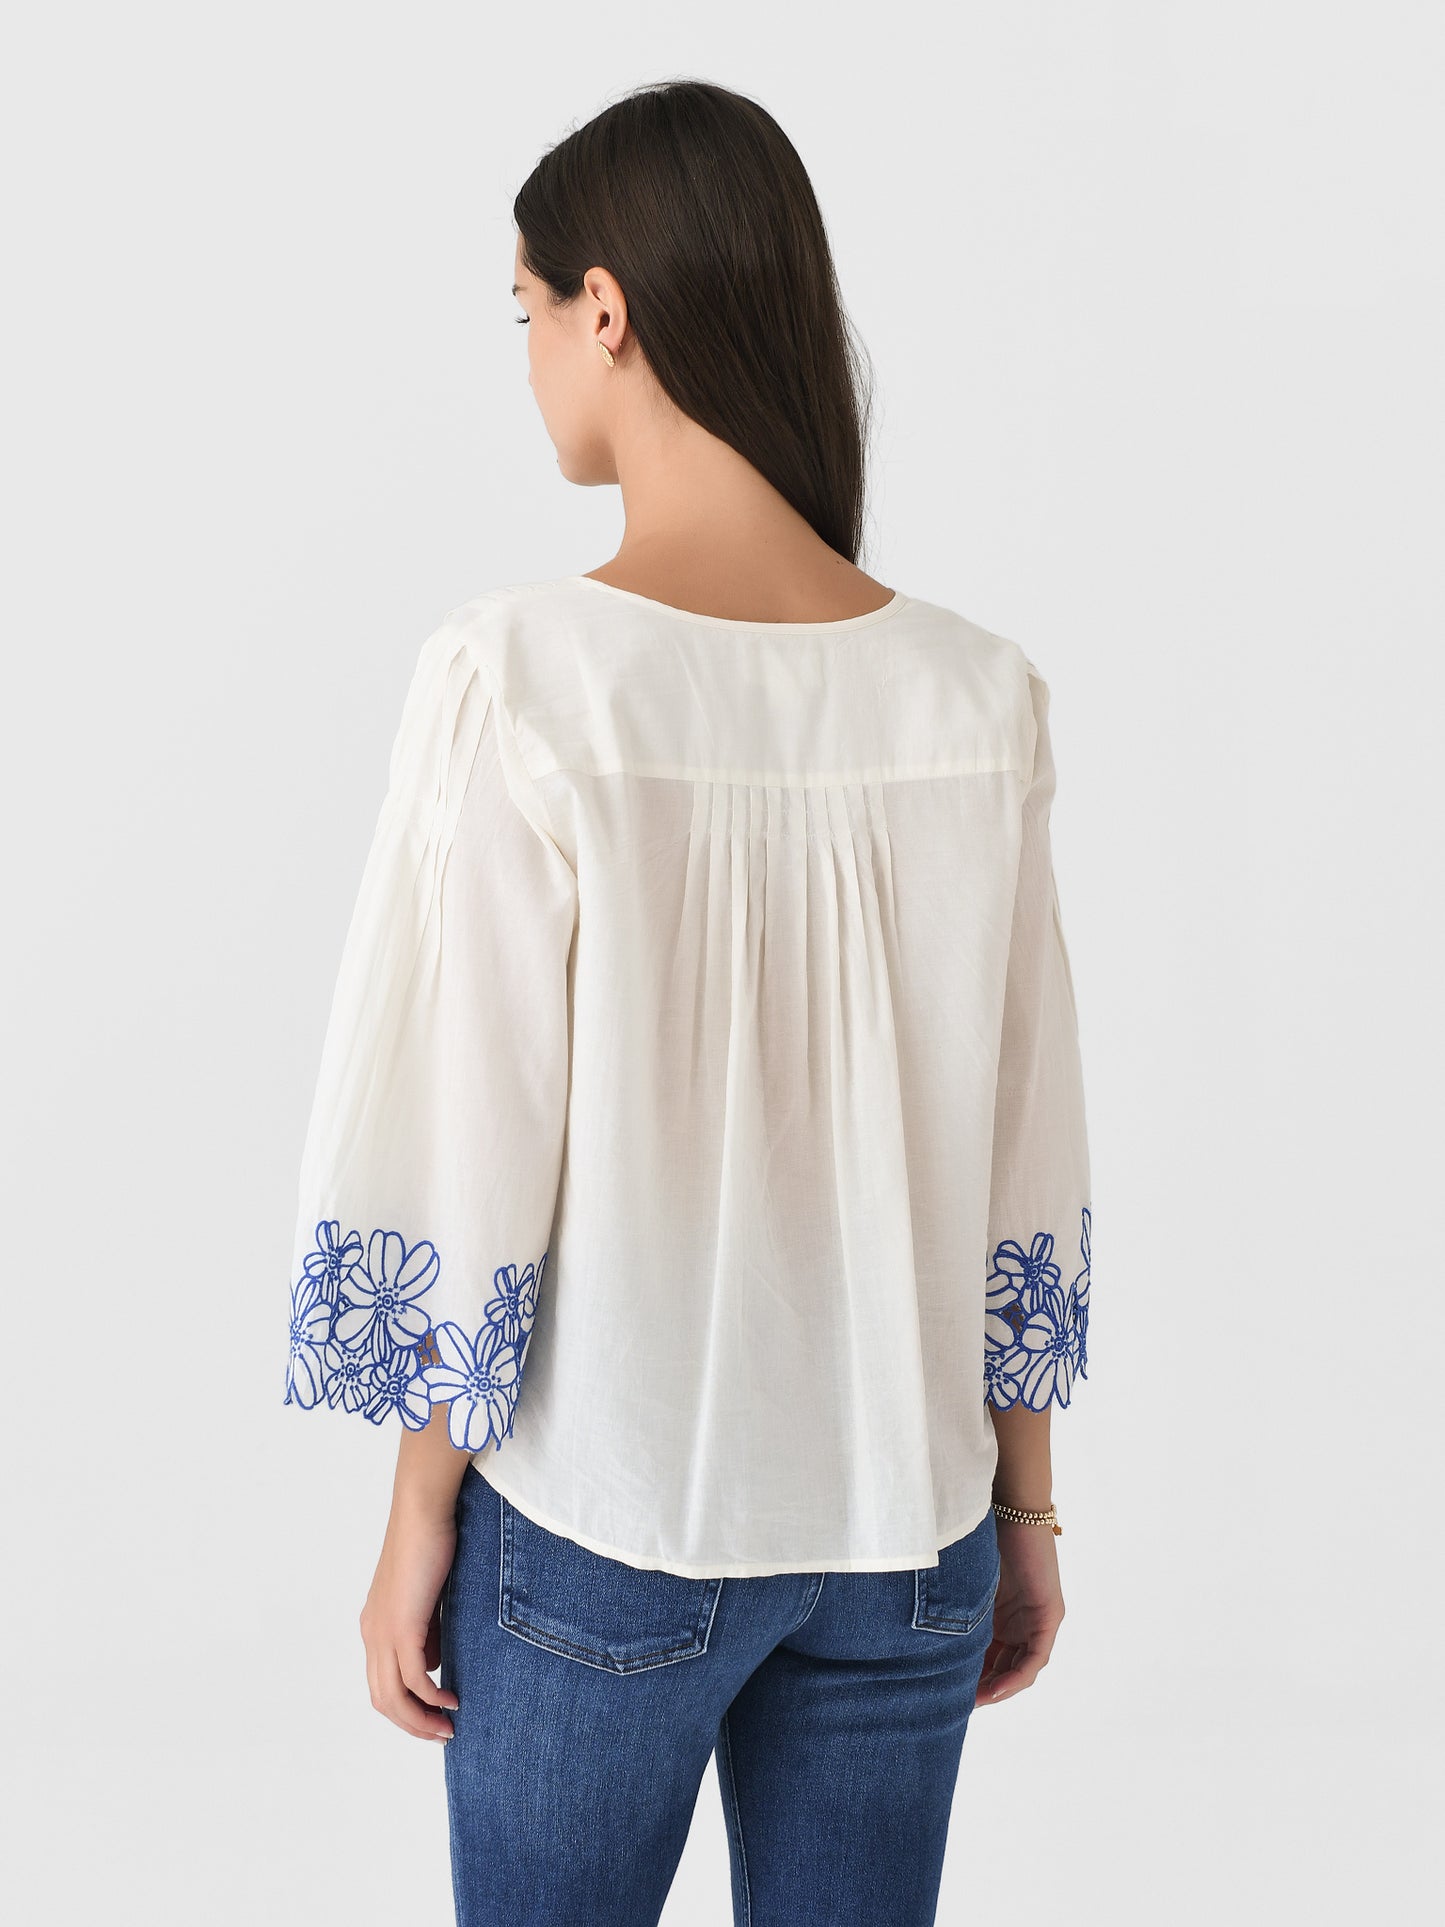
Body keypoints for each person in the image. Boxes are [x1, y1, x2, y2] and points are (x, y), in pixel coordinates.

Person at [282, 78, 1092, 1927]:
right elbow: (1024, 1146)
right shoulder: (976, 698)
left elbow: (473, 1138)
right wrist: (1024, 1506)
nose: (525, 359)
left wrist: (416, 1518)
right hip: (912, 1526)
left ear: (607, 309)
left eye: (522, 311)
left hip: (615, 1514)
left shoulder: (526, 677)